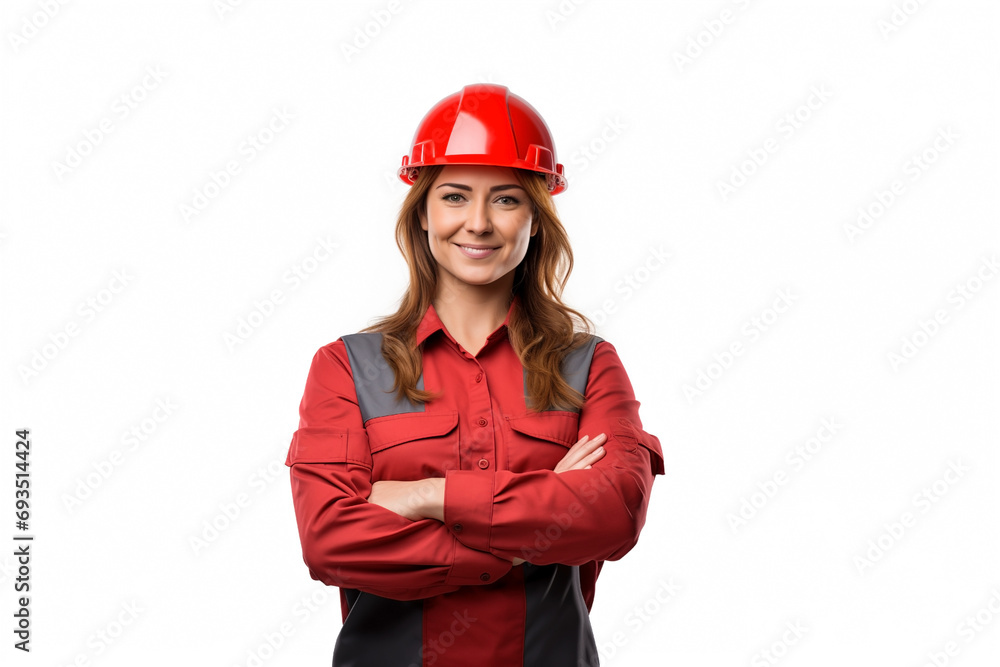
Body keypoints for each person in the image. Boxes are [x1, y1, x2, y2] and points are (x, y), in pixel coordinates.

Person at [284, 82, 664, 667]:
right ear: (424, 214)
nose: (479, 223)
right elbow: (329, 540)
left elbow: (614, 513)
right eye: (456, 197)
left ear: (536, 219)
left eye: (507, 200)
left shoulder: (589, 364)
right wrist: (534, 530)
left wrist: (424, 496)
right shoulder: (345, 368)